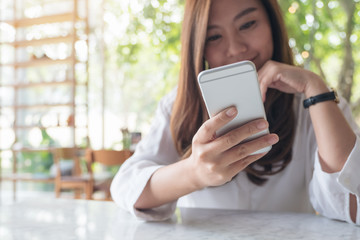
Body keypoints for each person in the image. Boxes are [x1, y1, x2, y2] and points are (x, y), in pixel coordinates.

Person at [111, 0, 360, 224]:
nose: (236, 48)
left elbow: (352, 205)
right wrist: (194, 173)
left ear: (273, 24)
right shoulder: (178, 106)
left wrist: (314, 87)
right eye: (214, 37)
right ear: (199, 47)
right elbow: (127, 188)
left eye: (248, 24)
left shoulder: (314, 104)